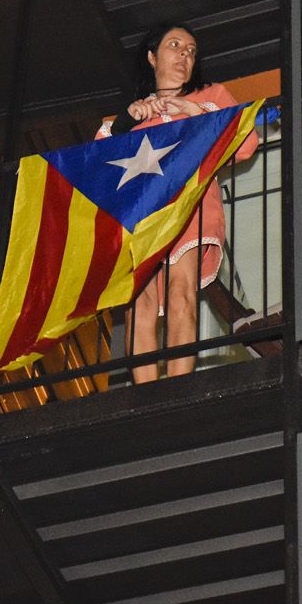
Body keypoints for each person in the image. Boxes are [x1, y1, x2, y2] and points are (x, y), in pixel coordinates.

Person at [99, 26, 258, 382]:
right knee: (139, 302)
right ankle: (144, 393)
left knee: (181, 293)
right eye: (174, 45)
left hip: (190, 209)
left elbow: (247, 142)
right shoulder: (132, 114)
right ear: (152, 57)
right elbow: (98, 164)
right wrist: (129, 119)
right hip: (142, 215)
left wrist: (193, 109)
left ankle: (176, 386)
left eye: (191, 49)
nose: (184, 54)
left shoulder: (211, 95)